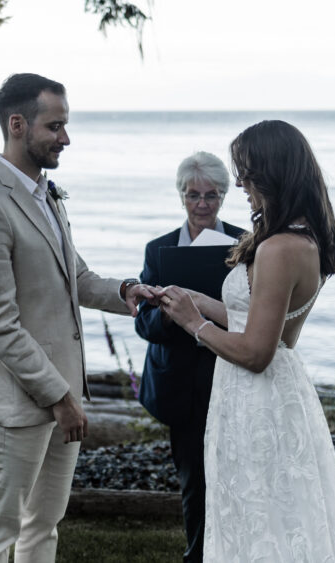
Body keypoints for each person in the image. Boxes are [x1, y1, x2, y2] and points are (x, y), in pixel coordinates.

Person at [159, 120, 335, 561]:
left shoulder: (279, 248)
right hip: (270, 394)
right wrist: (200, 303)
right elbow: (261, 321)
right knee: (281, 512)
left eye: (247, 172)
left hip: (257, 399)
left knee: (261, 513)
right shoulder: (303, 238)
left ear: (272, 172)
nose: (242, 183)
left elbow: (255, 352)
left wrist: (194, 324)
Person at [0, 73, 154, 563]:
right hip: (23, 402)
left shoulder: (45, 194)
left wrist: (127, 291)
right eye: (56, 126)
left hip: (63, 396)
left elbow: (75, 277)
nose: (66, 138)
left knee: (44, 525)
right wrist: (60, 397)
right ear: (18, 125)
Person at [134, 152, 245, 563]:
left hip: (231, 373)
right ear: (181, 195)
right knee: (194, 480)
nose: (202, 204)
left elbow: (255, 314)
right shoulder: (159, 250)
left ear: (224, 196)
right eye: (193, 195)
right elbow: (144, 325)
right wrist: (176, 315)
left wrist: (210, 313)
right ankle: (196, 555)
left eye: (212, 195)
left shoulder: (245, 245)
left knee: (235, 476)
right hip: (179, 384)